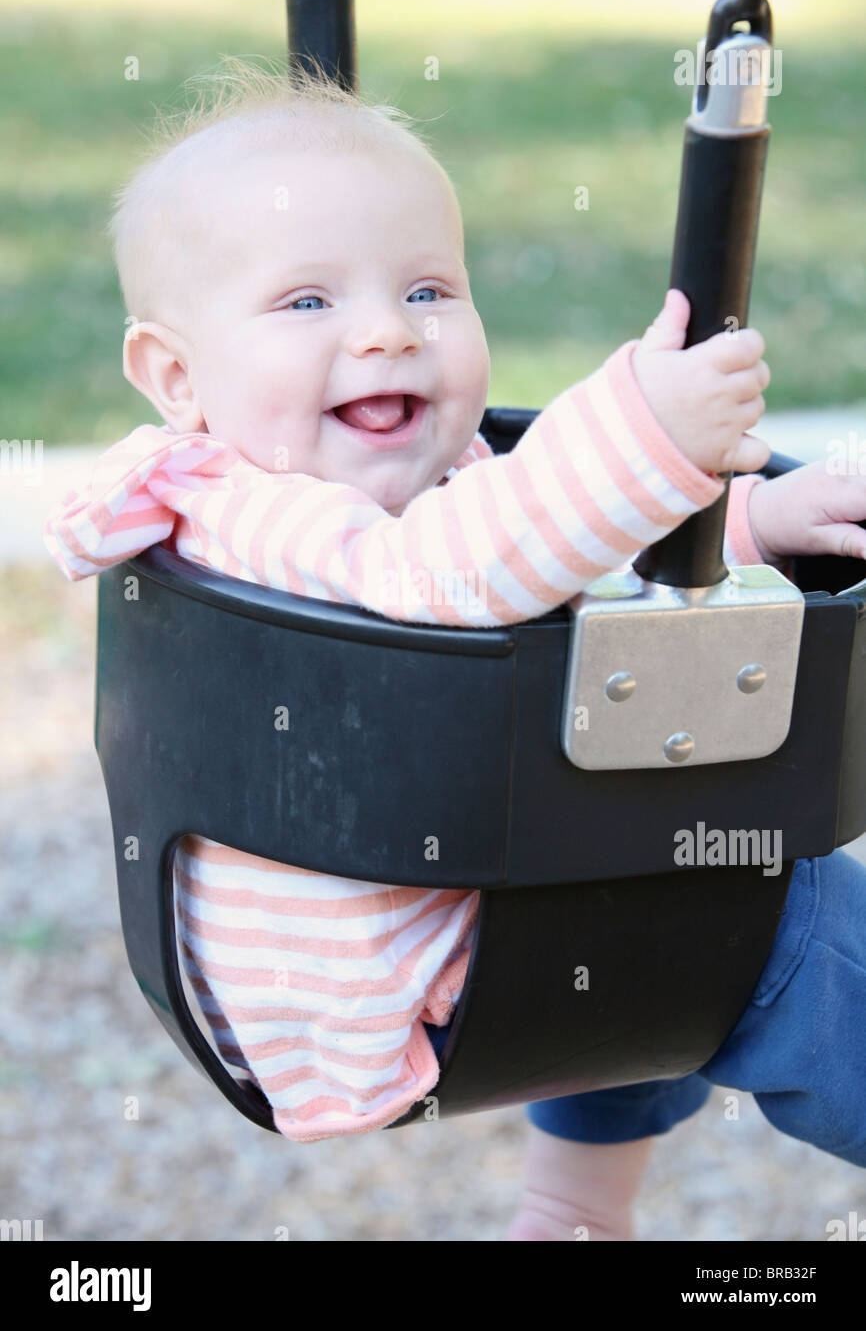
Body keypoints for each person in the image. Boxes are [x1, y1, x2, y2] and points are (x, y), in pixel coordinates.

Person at [44, 60, 866, 1239]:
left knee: (650, 858)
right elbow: (450, 571)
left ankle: (567, 1214)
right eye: (306, 304)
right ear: (176, 376)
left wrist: (742, 523)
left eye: (428, 289)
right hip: (418, 972)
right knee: (760, 906)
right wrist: (641, 429)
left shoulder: (369, 486)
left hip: (463, 916)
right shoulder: (261, 512)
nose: (385, 333)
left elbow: (550, 549)